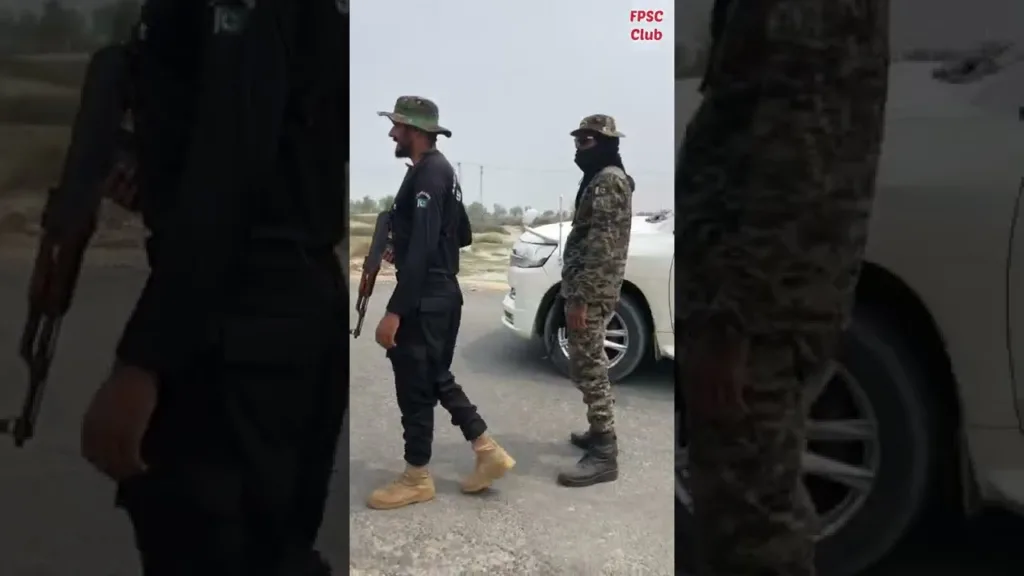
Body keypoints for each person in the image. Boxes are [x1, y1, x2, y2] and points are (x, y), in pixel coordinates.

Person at [79, 1, 348, 574]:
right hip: (283, 304)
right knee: (267, 548)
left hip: (242, 316)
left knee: (206, 542)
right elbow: (274, 146)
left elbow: (228, 178)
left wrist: (145, 359)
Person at [676, 1, 890, 574]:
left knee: (752, 528)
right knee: (743, 508)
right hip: (757, 297)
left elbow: (797, 151)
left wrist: (733, 322)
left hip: (758, 307)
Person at [367, 96, 515, 510]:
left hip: (426, 297)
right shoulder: (438, 172)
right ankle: (487, 451)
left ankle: (417, 478)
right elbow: (461, 233)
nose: (392, 133)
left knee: (415, 384)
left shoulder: (430, 173)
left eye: (397, 126)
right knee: (432, 375)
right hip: (437, 292)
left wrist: (394, 309)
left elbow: (428, 245)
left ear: (414, 130)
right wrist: (414, 240)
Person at [559, 114, 634, 488]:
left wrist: (582, 299)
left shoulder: (608, 181)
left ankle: (605, 452)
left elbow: (602, 245)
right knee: (586, 361)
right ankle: (597, 430)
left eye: (586, 142)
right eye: (577, 141)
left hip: (592, 290)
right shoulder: (601, 179)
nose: (579, 148)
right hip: (587, 287)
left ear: (605, 144)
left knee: (589, 365)